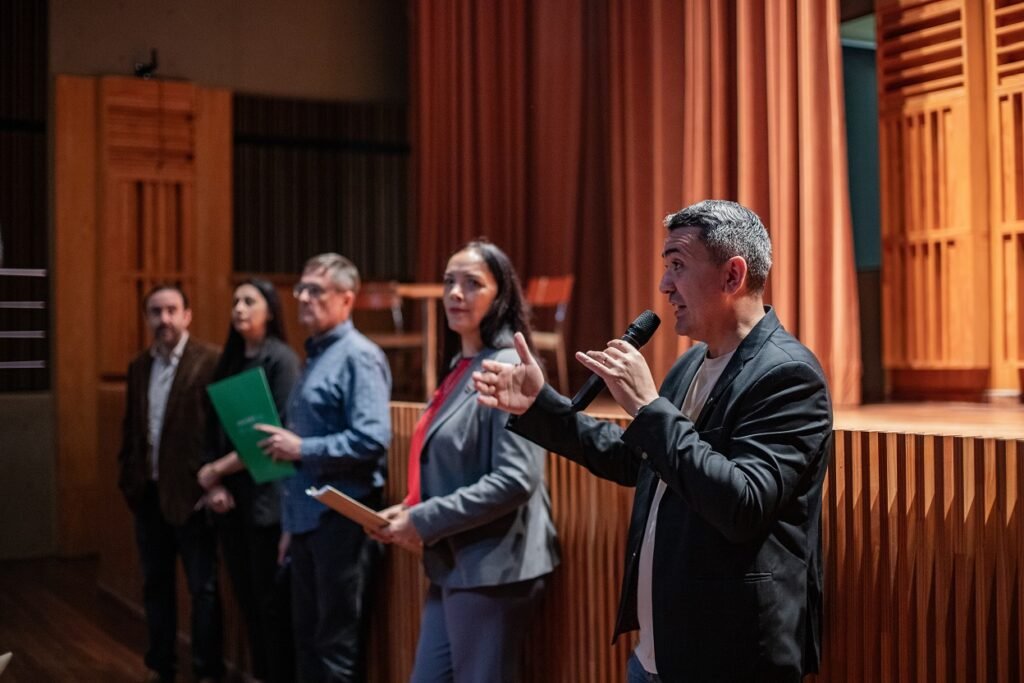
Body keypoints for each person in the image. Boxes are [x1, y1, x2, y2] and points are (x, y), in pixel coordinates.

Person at [474, 200, 833, 682]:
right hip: (657, 651)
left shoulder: (788, 375)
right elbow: (635, 459)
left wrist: (649, 407)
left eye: (678, 265)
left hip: (732, 657)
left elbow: (743, 503)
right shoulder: (690, 364)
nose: (665, 285)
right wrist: (540, 405)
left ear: (732, 275)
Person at [368, 240, 560, 683]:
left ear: (501, 295)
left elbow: (516, 479)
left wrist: (423, 519)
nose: (455, 293)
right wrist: (411, 508)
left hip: (495, 569)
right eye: (449, 282)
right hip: (457, 561)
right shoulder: (463, 362)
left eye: (472, 283)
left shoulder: (508, 366)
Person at [253, 253, 392, 683]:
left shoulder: (359, 356)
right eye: (301, 289)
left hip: (341, 521)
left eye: (316, 290)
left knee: (334, 649)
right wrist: (290, 525)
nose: (303, 298)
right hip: (307, 520)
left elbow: (372, 438)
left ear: (347, 299)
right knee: (307, 642)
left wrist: (301, 448)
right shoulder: (316, 355)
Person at [117, 284, 224, 683]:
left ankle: (207, 672)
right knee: (155, 586)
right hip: (148, 494)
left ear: (187, 315)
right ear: (147, 317)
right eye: (155, 312)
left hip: (193, 496)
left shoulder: (211, 360)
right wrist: (128, 479)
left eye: (171, 310)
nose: (164, 319)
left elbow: (222, 430)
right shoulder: (138, 366)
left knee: (203, 590)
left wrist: (216, 481)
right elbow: (132, 428)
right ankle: (161, 667)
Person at [197, 278, 301, 683]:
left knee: (271, 606)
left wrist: (217, 471)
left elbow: (273, 436)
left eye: (249, 301)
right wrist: (215, 484)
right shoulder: (230, 360)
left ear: (270, 310)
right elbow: (212, 431)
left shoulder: (281, 360)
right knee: (248, 604)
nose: (239, 308)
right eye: (235, 301)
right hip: (231, 502)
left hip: (267, 503)